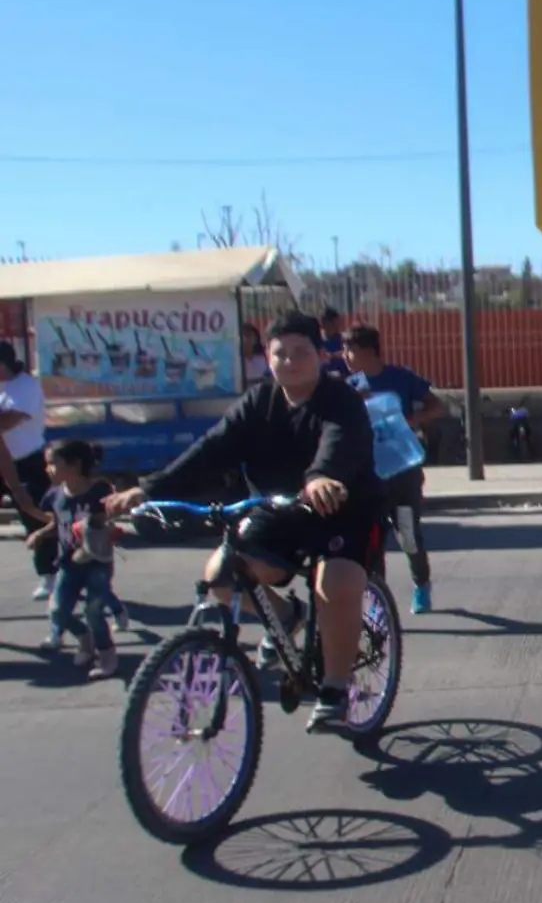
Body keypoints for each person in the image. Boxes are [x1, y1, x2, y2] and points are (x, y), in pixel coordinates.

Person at [104, 311, 383, 734]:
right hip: (275, 508)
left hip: (341, 508)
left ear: (320, 355)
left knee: (337, 583)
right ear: (267, 358)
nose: (290, 362)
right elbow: (213, 448)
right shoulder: (259, 402)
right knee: (222, 575)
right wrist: (151, 488)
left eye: (301, 353)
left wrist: (320, 477)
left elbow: (338, 443)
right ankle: (287, 615)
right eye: (279, 354)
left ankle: (335, 689)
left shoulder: (340, 400)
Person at [343, 324, 447, 615]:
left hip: (402, 470)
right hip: (368, 475)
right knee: (372, 540)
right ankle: (378, 600)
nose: (345, 355)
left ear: (368, 351)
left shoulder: (399, 378)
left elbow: (437, 406)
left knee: (407, 533)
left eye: (349, 349)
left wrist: (410, 420)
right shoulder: (348, 385)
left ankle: (421, 584)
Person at [29, 439, 120, 679]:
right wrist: (41, 534)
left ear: (75, 464)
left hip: (96, 563)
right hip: (68, 563)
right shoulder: (54, 495)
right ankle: (84, 639)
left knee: (94, 611)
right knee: (58, 610)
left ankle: (107, 653)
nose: (48, 469)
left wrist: (99, 525)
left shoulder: (99, 491)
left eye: (53, 464)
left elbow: (107, 520)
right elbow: (57, 524)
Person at [0, 341, 55, 600]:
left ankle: (49, 575)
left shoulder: (26, 387)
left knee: (35, 516)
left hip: (26, 461)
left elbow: (8, 421)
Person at [318, 308, 350, 376]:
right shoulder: (317, 341)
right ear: (323, 322)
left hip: (344, 377)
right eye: (333, 322)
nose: (337, 325)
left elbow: (348, 353)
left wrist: (332, 356)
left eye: (337, 322)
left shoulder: (344, 339)